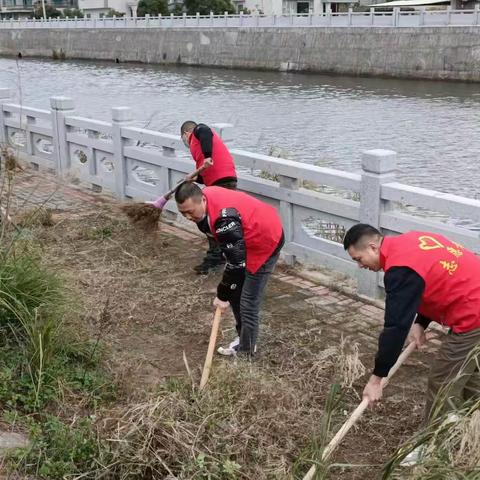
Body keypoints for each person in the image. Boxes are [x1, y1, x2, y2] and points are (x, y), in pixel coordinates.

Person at [343, 224, 480, 461]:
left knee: (443, 380)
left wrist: (377, 379)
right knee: (470, 376)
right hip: (472, 298)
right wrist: (421, 322)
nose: (360, 265)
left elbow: (395, 328)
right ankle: (468, 424)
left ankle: (432, 446)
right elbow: (436, 277)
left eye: (359, 258)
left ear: (373, 246)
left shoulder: (399, 269)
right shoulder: (412, 240)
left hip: (473, 314)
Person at [174, 182, 284, 356]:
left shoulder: (223, 221)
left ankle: (246, 352)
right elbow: (233, 257)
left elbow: (236, 264)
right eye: (183, 213)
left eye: (190, 211)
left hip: (265, 238)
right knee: (235, 292)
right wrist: (229, 291)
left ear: (202, 199)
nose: (187, 217)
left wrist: (222, 295)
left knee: (248, 302)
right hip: (245, 235)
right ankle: (244, 339)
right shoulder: (204, 201)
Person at [180, 121, 237, 275]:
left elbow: (205, 132)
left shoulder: (199, 131)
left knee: (209, 220)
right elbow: (206, 176)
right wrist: (195, 179)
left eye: (184, 138)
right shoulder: (197, 150)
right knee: (212, 220)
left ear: (186, 134)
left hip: (223, 180)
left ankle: (217, 257)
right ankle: (219, 255)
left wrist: (207, 156)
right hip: (215, 182)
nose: (185, 142)